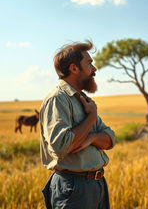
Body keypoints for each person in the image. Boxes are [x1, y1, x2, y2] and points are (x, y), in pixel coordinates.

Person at [40, 41, 116, 209]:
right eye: (89, 63)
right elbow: (61, 146)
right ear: (74, 68)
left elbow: (110, 139)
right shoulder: (58, 99)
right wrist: (91, 117)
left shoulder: (83, 99)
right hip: (73, 188)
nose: (94, 69)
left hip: (96, 185)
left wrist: (92, 137)